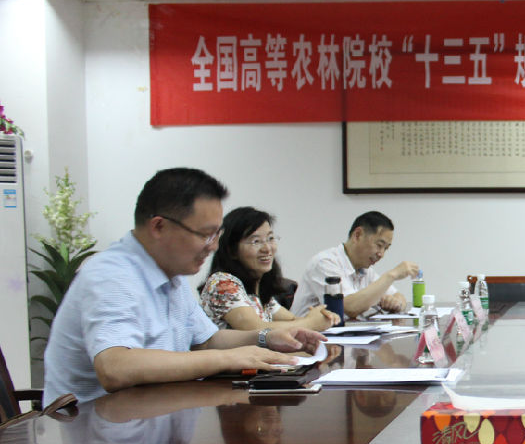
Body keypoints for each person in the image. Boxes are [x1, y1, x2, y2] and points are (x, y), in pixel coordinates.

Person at [43, 168, 324, 405]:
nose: (213, 247)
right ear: (159, 227)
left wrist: (265, 338)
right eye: (205, 235)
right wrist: (227, 359)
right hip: (101, 431)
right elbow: (115, 367)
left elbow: (206, 340)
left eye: (217, 234)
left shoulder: (171, 274)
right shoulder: (112, 274)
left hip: (155, 418)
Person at [199, 206, 339, 332]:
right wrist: (310, 323)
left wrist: (321, 317)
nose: (267, 248)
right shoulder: (222, 283)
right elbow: (255, 329)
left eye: (270, 238)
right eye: (256, 241)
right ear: (232, 250)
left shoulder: (257, 290)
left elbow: (293, 321)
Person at [292, 211, 419, 320]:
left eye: (386, 248)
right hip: (308, 338)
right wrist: (392, 275)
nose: (381, 254)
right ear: (357, 235)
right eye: (379, 245)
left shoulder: (364, 270)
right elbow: (350, 307)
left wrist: (396, 303)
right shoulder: (325, 263)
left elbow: (399, 297)